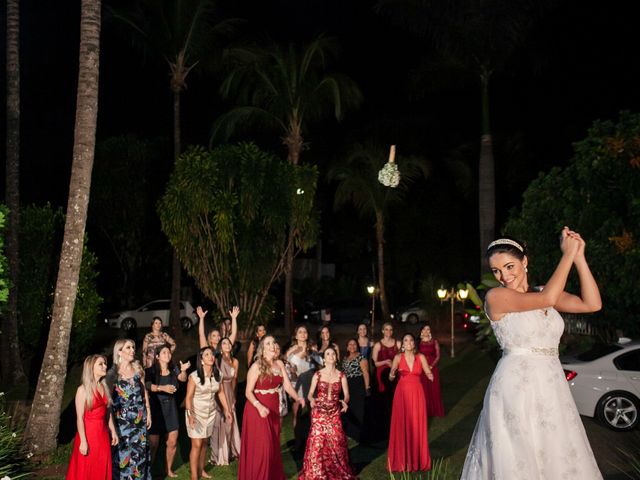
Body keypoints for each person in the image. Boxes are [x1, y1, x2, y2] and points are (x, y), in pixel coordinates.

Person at [461, 229, 603, 479]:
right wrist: (566, 255)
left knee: (554, 454)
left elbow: (592, 304)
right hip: (515, 387)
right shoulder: (496, 297)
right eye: (496, 271)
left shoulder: (540, 293)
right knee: (519, 458)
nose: (504, 276)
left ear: (524, 262)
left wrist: (579, 256)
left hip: (550, 385)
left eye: (509, 266)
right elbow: (549, 297)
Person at [239, 335, 305, 480]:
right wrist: (259, 407)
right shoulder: (256, 366)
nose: (272, 345)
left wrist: (297, 397)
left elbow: (287, 385)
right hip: (257, 409)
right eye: (267, 343)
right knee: (263, 448)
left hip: (273, 408)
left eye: (273, 342)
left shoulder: (280, 364)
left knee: (273, 446)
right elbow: (248, 392)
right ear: (262, 349)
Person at [299, 347, 356, 480]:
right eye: (328, 354)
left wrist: (345, 402)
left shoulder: (341, 375)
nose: (331, 355)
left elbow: (347, 394)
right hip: (319, 412)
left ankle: (336, 468)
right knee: (318, 442)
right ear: (324, 359)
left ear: (336, 358)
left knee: (336, 440)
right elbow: (310, 394)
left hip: (334, 411)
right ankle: (317, 471)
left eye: (333, 354)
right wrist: (312, 400)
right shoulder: (318, 374)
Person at [66, 355, 118, 480]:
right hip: (88, 435)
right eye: (101, 364)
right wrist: (83, 441)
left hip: (103, 434)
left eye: (105, 363)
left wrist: (114, 431)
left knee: (102, 465)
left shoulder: (105, 387)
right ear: (91, 368)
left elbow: (108, 412)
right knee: (87, 468)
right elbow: (79, 418)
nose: (105, 366)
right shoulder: (82, 390)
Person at [185, 347, 233, 480]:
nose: (211, 356)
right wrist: (190, 414)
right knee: (197, 445)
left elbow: (221, 392)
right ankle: (194, 476)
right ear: (201, 360)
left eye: (212, 354)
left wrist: (226, 409)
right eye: (206, 355)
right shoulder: (194, 377)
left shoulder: (218, 375)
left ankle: (201, 470)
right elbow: (188, 397)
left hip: (210, 413)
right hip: (195, 413)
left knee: (205, 443)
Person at [388, 333, 433, 473]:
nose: (408, 342)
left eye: (411, 340)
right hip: (401, 395)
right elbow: (390, 378)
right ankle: (401, 461)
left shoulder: (421, 357)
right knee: (402, 425)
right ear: (402, 343)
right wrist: (392, 373)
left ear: (414, 343)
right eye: (405, 340)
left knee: (416, 424)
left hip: (417, 394)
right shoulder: (397, 358)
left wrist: (431, 375)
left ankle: (417, 459)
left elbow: (428, 372)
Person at [107, 339, 152, 479]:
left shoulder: (138, 369)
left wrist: (148, 413)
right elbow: (107, 403)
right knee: (123, 458)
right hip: (122, 424)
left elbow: (144, 393)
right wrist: (112, 427)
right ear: (119, 351)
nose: (133, 350)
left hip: (140, 421)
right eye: (128, 348)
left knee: (140, 456)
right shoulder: (112, 374)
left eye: (133, 347)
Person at [145, 344, 189, 478]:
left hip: (171, 409)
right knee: (153, 444)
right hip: (156, 409)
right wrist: (162, 388)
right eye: (164, 353)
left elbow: (183, 379)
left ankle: (168, 469)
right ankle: (148, 469)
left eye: (169, 352)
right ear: (157, 356)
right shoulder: (151, 370)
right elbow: (147, 385)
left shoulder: (174, 368)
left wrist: (183, 371)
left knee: (172, 441)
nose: (167, 355)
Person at [209, 337, 240, 466]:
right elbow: (217, 380)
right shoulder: (217, 360)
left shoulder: (235, 361)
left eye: (229, 343)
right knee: (220, 423)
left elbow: (234, 380)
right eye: (224, 343)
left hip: (230, 392)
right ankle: (218, 455)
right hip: (219, 391)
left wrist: (233, 396)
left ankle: (232, 451)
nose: (227, 345)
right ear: (220, 347)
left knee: (231, 423)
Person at [371, 322, 400, 437]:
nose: (388, 332)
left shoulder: (397, 343)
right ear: (382, 331)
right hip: (382, 371)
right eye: (386, 329)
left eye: (390, 329)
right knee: (386, 396)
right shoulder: (378, 345)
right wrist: (385, 362)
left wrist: (394, 364)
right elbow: (374, 363)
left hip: (395, 370)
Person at [286, 325, 317, 429]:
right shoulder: (292, 350)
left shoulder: (312, 349)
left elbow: (320, 365)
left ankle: (315, 439)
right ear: (296, 336)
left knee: (313, 413)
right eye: (300, 332)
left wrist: (314, 354)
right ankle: (298, 441)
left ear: (307, 335)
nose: (303, 334)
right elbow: (289, 367)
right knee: (296, 414)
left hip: (311, 384)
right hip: (297, 384)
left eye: (305, 332)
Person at [341, 338, 370, 442]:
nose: (352, 346)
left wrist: (367, 388)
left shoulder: (361, 357)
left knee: (359, 410)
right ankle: (350, 432)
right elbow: (343, 373)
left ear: (357, 346)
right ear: (347, 346)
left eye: (354, 344)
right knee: (349, 409)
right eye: (350, 344)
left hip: (358, 385)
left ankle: (359, 433)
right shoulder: (345, 358)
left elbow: (366, 373)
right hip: (348, 386)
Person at [418, 324, 444, 417]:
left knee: (434, 388)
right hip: (421, 368)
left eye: (428, 329)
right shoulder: (418, 342)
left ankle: (436, 410)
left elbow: (438, 356)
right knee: (424, 389)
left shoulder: (434, 342)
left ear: (430, 331)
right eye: (424, 329)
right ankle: (425, 410)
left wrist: (431, 366)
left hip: (432, 368)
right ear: (421, 331)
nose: (426, 331)